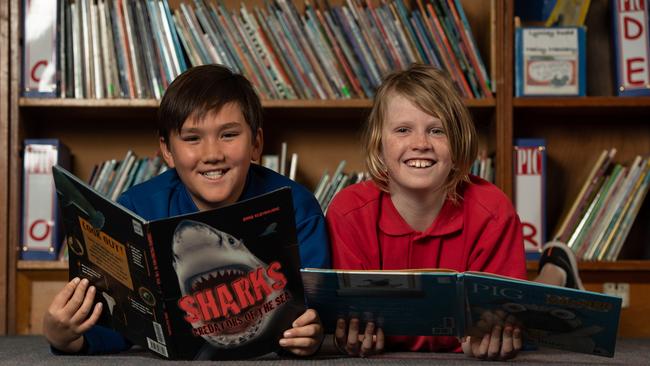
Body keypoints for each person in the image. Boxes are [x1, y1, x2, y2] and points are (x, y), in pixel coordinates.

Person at [43, 64, 330, 357]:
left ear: (256, 143)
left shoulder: (297, 207)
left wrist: (312, 333)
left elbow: (318, 312)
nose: (212, 154)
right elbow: (119, 323)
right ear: (167, 151)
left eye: (228, 135)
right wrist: (65, 336)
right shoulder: (137, 209)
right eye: (192, 138)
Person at [325, 64, 583, 360]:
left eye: (437, 131)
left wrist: (492, 334)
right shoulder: (349, 212)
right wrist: (352, 336)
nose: (420, 144)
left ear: (458, 144)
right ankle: (556, 270)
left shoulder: (492, 211)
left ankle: (555, 270)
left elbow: (501, 319)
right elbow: (352, 318)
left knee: (533, 312)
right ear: (379, 146)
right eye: (402, 130)